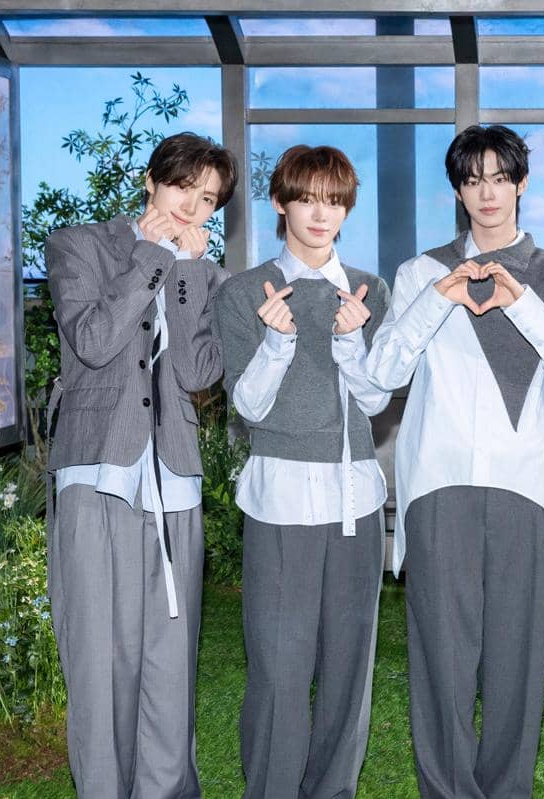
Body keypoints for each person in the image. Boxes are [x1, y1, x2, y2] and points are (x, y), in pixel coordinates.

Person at [364, 124, 544, 798]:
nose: (487, 193)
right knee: (441, 658)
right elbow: (381, 375)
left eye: (500, 178)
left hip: (522, 488)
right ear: (458, 192)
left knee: (515, 663)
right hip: (438, 484)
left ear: (522, 184)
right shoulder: (422, 272)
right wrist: (434, 302)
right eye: (473, 181)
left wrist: (522, 304)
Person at [46, 131, 237, 798]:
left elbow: (198, 372)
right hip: (98, 471)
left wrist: (185, 272)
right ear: (150, 180)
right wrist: (151, 256)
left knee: (169, 658)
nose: (192, 205)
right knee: (100, 658)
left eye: (208, 199)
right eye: (183, 186)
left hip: (173, 477)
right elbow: (94, 341)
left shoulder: (203, 272)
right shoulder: (78, 245)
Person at [214, 144, 390, 799]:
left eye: (334, 201)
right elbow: (248, 406)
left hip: (355, 500)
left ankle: (333, 789)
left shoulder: (370, 290)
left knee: (348, 669)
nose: (321, 214)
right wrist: (278, 342)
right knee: (279, 667)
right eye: (308, 199)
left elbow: (376, 401)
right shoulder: (244, 292)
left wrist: (351, 341)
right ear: (280, 202)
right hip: (279, 500)